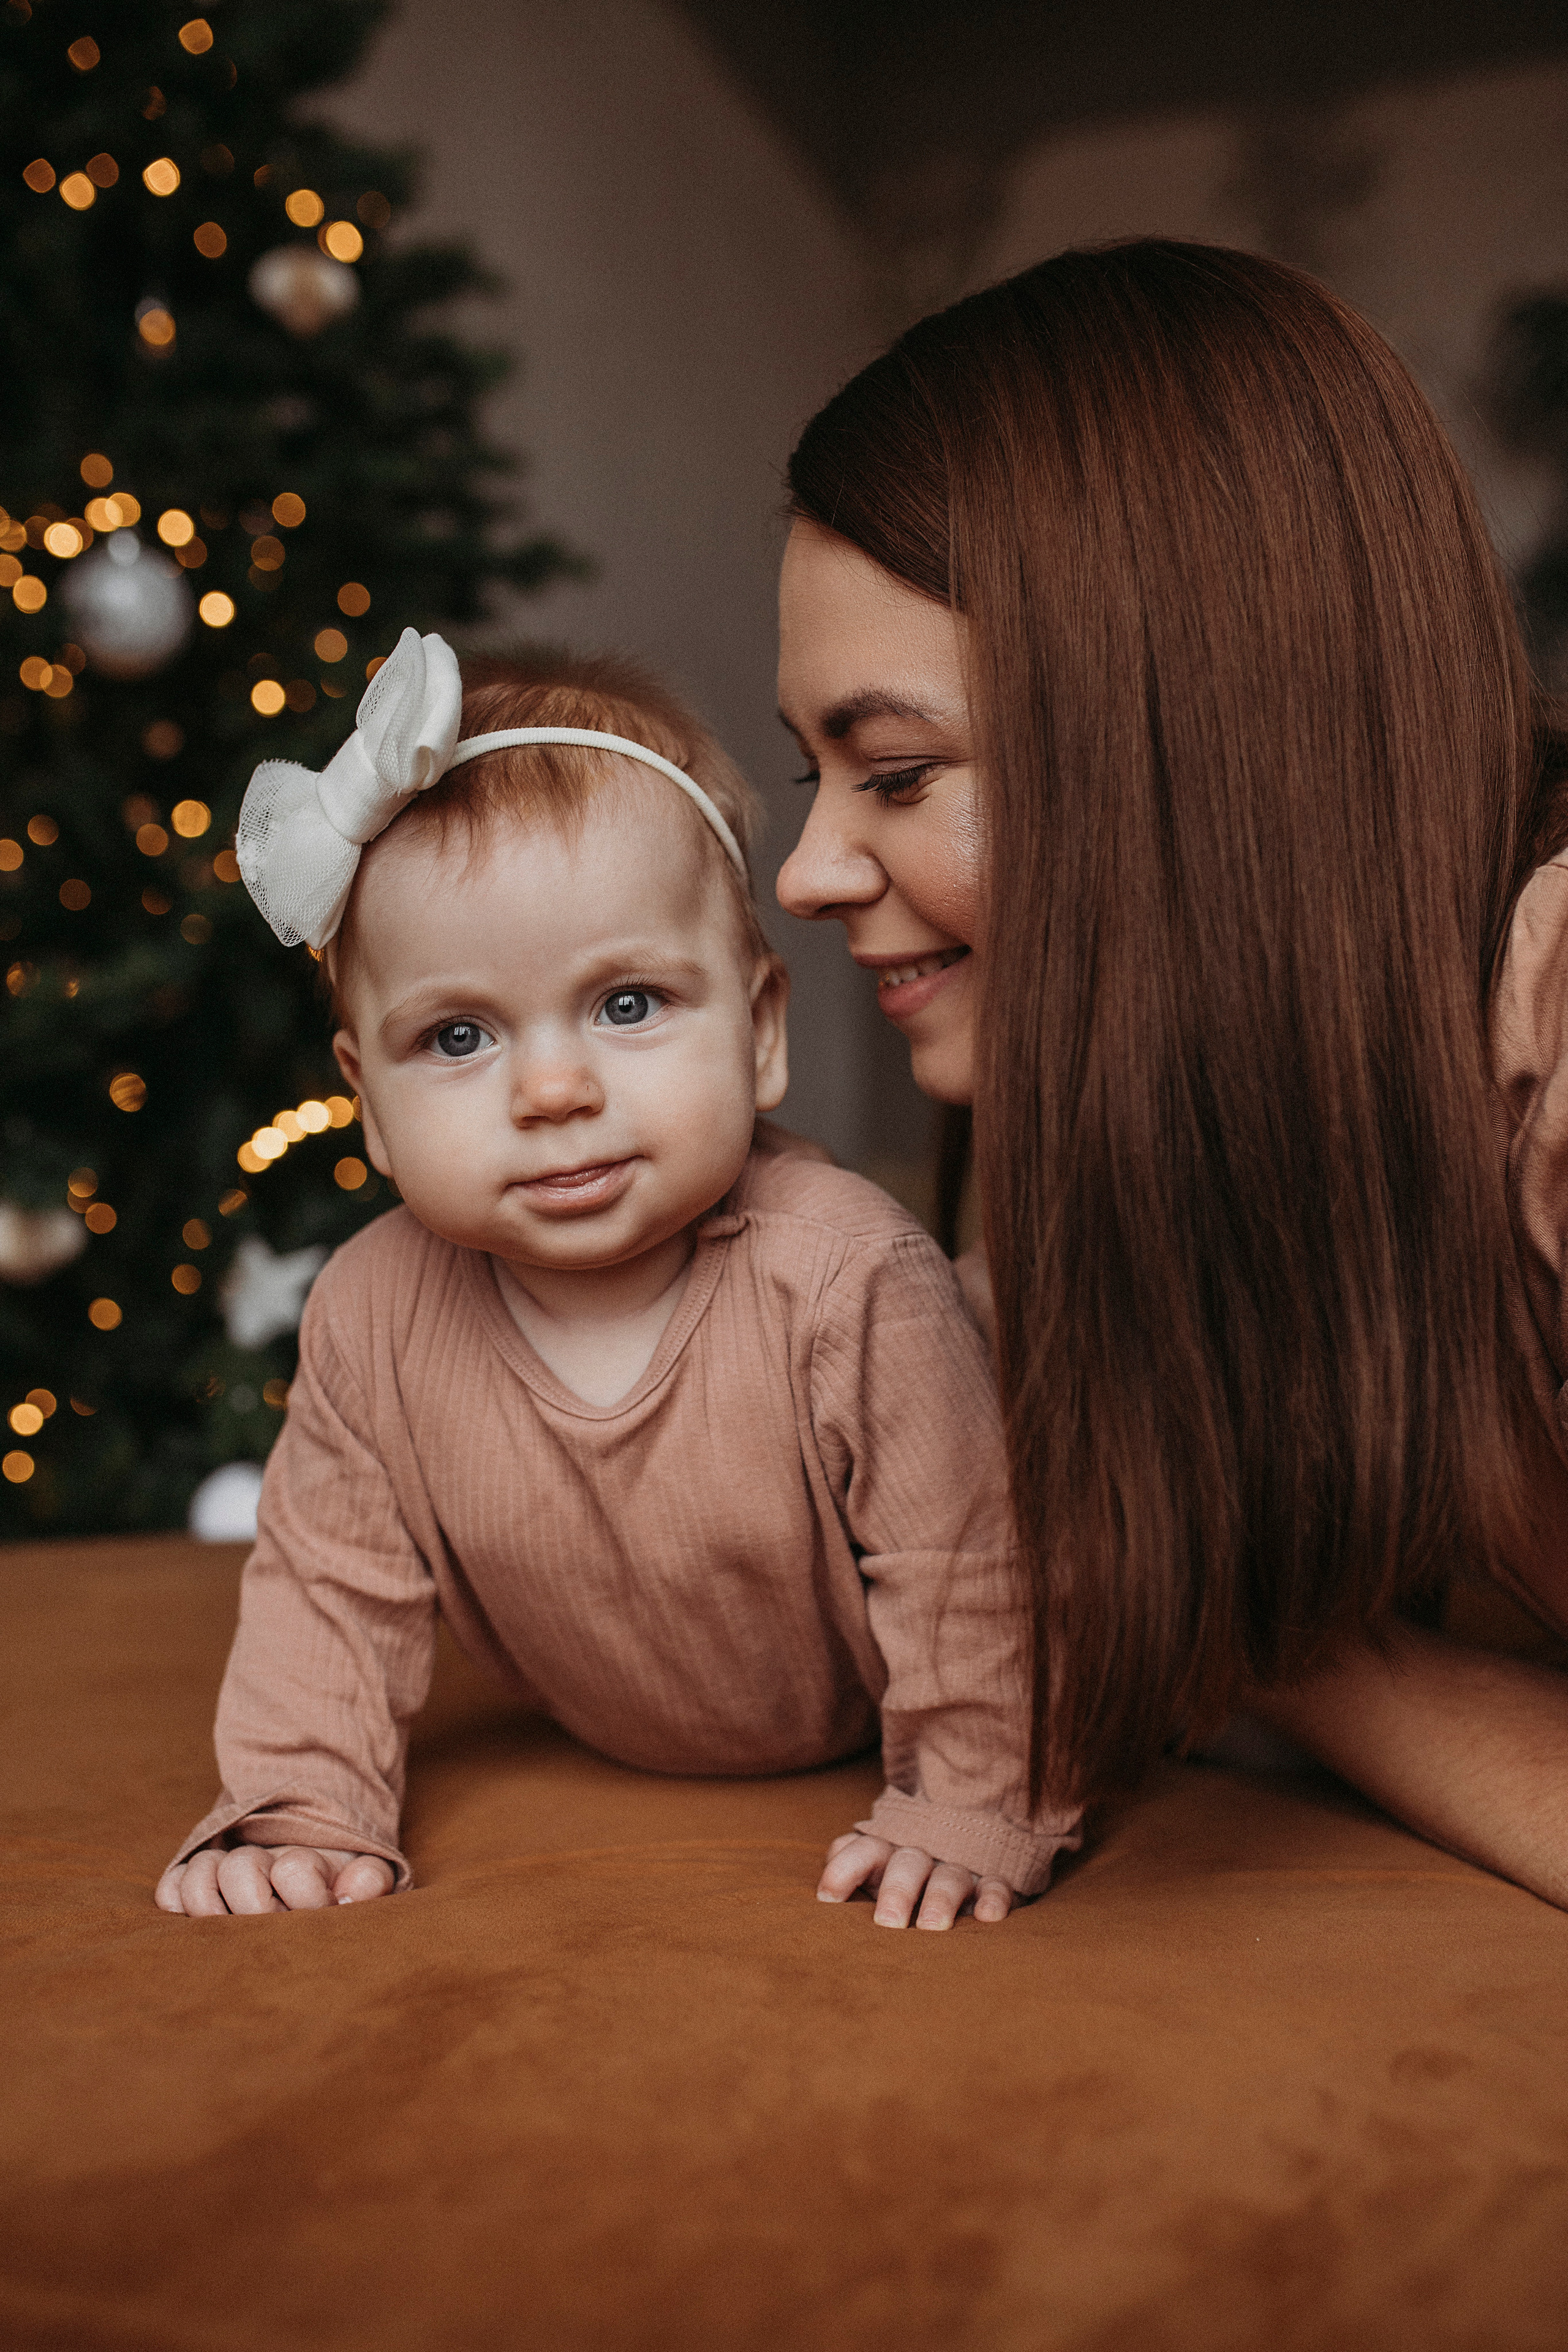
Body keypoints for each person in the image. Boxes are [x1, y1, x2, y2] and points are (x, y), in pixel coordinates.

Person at [775, 238, 1568, 1909]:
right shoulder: (1245, 1134)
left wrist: (1281, 1646)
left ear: (1189, 746)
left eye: (899, 773)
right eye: (814, 778)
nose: (808, 872)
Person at [157, 630, 1079, 1927]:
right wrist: (301, 1810)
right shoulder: (374, 1315)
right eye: (458, 1035)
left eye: (630, 1004)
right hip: (629, 1722)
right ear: (365, 1099)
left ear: (758, 1032)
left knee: (1027, 1408)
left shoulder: (840, 1273)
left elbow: (963, 1566)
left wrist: (973, 1801)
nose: (554, 1091)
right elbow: (329, 1588)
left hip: (889, 1687)